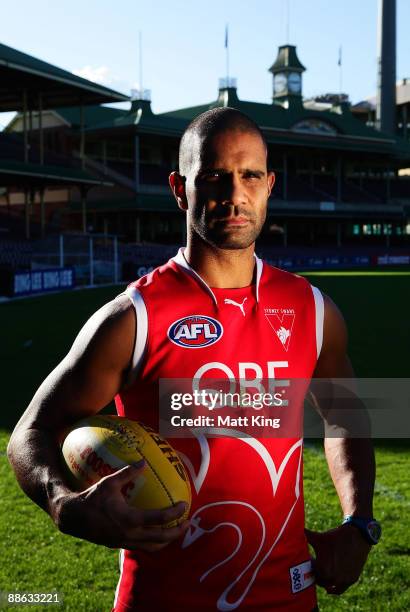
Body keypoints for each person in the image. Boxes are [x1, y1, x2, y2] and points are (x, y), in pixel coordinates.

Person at [7, 107, 380, 611]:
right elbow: (30, 432)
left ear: (269, 184)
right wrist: (61, 503)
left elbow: (345, 411)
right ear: (180, 189)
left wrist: (359, 522)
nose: (234, 193)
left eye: (250, 175)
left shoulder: (312, 310)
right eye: (213, 177)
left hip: (290, 597)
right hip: (163, 599)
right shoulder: (133, 319)